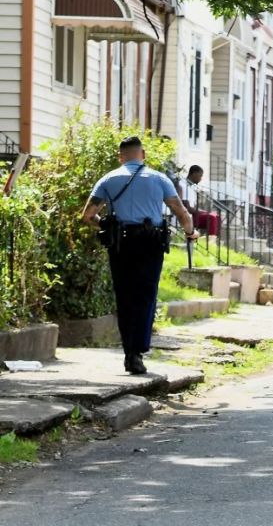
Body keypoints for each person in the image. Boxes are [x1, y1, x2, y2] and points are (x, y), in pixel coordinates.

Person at [81, 137, 198, 375]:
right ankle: (138, 351)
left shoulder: (108, 179)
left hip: (121, 244)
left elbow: (87, 214)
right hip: (150, 244)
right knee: (146, 295)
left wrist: (105, 226)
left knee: (125, 296)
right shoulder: (158, 178)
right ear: (143, 154)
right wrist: (191, 233)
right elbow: (181, 212)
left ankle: (128, 352)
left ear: (120, 156)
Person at [180, 165, 219, 237]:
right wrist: (200, 212)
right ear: (194, 174)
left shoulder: (192, 188)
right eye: (200, 176)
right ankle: (210, 240)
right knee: (212, 217)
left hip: (192, 215)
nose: (200, 179)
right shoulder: (182, 184)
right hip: (185, 216)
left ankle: (211, 238)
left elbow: (193, 206)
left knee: (216, 216)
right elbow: (186, 206)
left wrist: (202, 211)